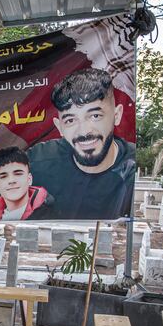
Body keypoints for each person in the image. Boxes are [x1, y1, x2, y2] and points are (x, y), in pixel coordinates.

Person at [27, 67, 136, 219]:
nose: (84, 132)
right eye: (70, 120)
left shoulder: (133, 168)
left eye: (95, 116)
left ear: (116, 116)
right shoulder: (38, 162)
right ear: (60, 127)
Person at [0, 146, 54, 220]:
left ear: (29, 179)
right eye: (3, 177)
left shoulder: (52, 214)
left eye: (18, 174)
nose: (11, 180)